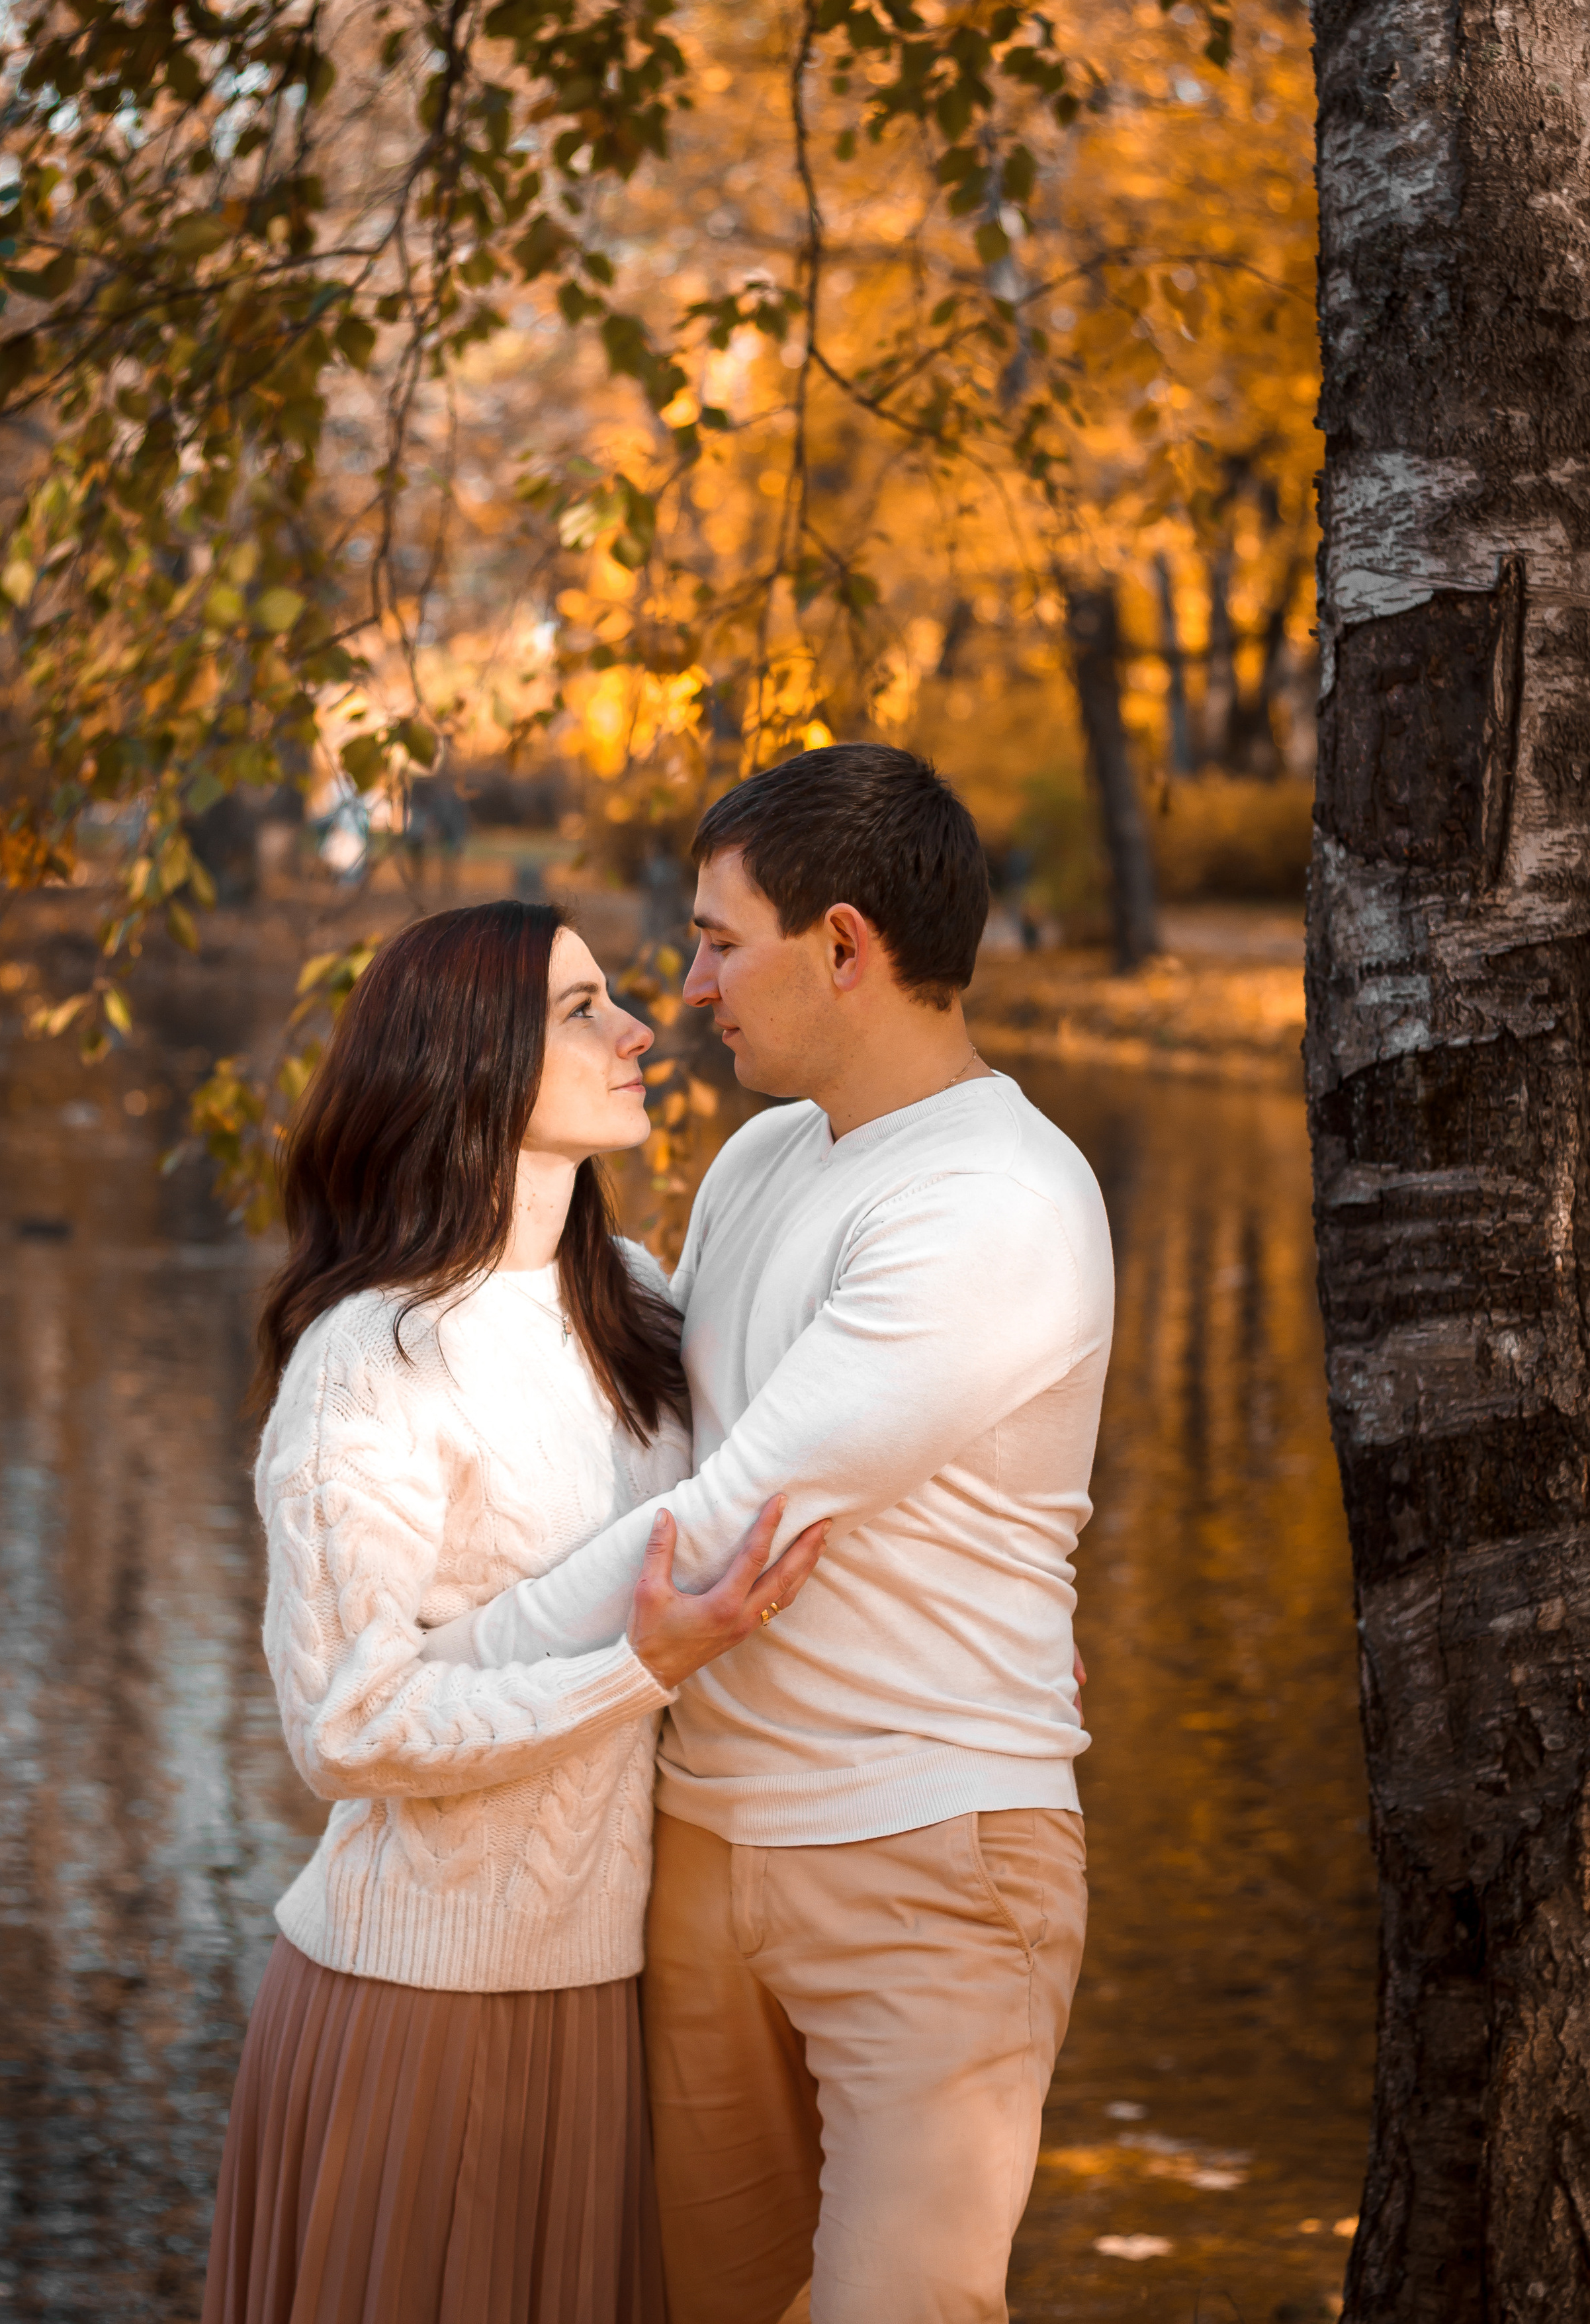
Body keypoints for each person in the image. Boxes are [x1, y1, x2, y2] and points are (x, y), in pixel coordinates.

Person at [423, 746, 1114, 2324]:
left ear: (847, 948)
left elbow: (726, 1521)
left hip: (927, 1856)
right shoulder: (763, 1155)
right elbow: (646, 1371)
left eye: (718, 942)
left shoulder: (995, 1202)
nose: (687, 985)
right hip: (703, 1845)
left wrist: (445, 1675)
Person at [201, 901, 826, 2324]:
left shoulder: (635, 1303)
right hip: (419, 2005)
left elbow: (792, 1499)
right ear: (465, 1059)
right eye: (579, 1008)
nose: (636, 1027)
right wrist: (634, 1670)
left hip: (613, 1992)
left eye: (615, 995)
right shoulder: (373, 1360)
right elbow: (347, 1730)